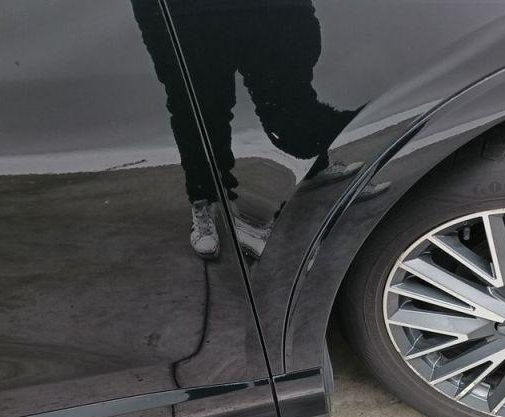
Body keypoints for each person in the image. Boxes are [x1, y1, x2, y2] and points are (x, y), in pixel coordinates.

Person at [131, 0, 356, 258]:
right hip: (184, 13)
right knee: (197, 105)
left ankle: (315, 164)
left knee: (286, 90)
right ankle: (207, 198)